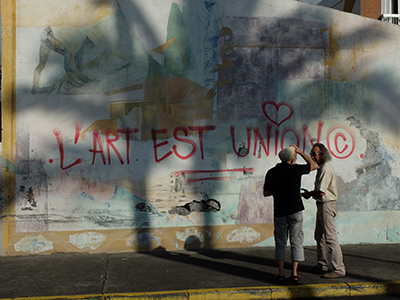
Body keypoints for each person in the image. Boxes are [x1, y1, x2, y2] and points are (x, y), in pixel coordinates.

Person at [263, 144, 318, 282]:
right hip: (295, 210)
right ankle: (294, 273)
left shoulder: (271, 172)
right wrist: (300, 152)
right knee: (296, 242)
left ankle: (281, 273)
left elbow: (266, 192)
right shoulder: (296, 169)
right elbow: (314, 165)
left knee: (280, 242)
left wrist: (277, 190)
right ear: (293, 159)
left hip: (280, 212)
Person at [301, 143, 346, 279]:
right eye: (311, 154)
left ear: (322, 155)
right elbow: (310, 163)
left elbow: (321, 193)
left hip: (327, 205)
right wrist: (300, 153)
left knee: (330, 238)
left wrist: (310, 194)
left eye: (314, 154)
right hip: (322, 205)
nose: (312, 156)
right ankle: (322, 264)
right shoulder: (321, 167)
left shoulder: (326, 169)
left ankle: (339, 268)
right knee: (319, 236)